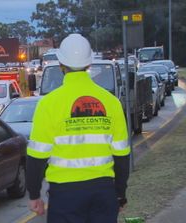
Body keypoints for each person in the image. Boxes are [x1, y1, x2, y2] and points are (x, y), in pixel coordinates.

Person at [26, 33, 130, 223]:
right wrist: (120, 192)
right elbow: (122, 155)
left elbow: (36, 156)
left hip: (65, 195)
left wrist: (34, 194)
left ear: (61, 64)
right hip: (103, 192)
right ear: (89, 64)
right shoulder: (111, 102)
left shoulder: (48, 104)